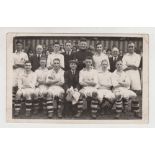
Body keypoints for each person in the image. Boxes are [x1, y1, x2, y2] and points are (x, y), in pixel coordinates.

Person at [13, 41, 29, 109]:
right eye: (17, 45)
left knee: (22, 87)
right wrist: (20, 64)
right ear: (16, 46)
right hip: (14, 72)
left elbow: (26, 65)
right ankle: (14, 103)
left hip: (22, 72)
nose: (18, 46)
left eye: (20, 45)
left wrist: (18, 64)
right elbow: (12, 65)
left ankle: (22, 104)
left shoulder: (25, 54)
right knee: (14, 86)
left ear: (22, 46)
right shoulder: (13, 54)